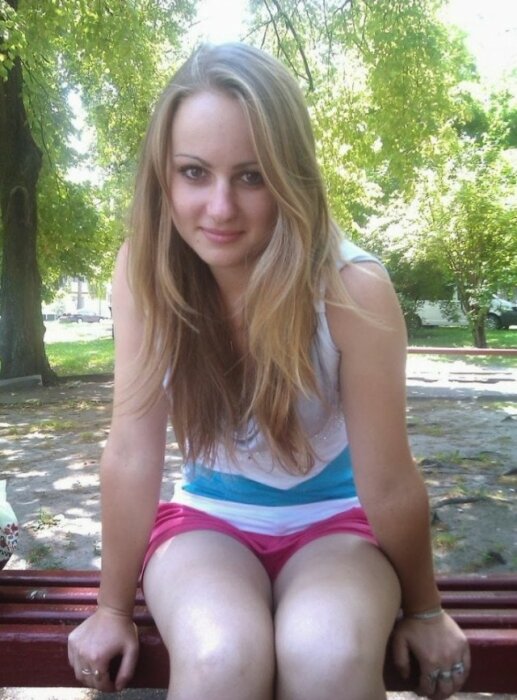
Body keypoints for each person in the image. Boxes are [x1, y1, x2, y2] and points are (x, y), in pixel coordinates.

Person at [67, 42, 469, 700]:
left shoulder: (351, 287)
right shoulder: (144, 274)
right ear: (163, 176)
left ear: (290, 176)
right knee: (221, 656)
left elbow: (389, 478)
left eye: (251, 176)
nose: (220, 207)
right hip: (207, 523)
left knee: (327, 654)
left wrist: (425, 612)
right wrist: (111, 610)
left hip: (338, 523)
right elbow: (133, 452)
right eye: (194, 173)